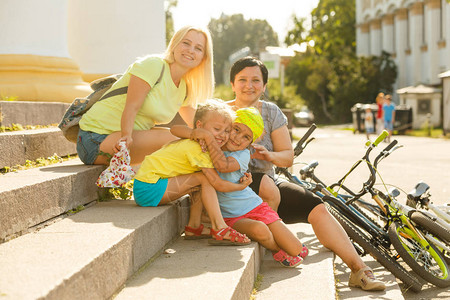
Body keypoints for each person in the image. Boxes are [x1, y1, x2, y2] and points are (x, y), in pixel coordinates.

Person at [226, 56, 386, 291]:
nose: (249, 85)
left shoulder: (271, 112)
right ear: (232, 84)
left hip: (268, 184)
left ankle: (359, 270)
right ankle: (276, 242)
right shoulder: (223, 112)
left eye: (255, 80)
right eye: (242, 80)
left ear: (264, 85)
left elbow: (287, 157)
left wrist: (268, 155)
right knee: (266, 186)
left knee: (317, 207)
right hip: (233, 185)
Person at [77, 25, 214, 165]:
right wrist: (126, 136)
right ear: (174, 44)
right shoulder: (154, 65)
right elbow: (132, 106)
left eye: (198, 48)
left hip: (124, 136)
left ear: (203, 58)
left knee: (193, 141)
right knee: (180, 142)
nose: (190, 50)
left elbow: (197, 124)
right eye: (186, 43)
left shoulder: (184, 88)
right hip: (95, 138)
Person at [132, 100, 251, 246]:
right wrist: (240, 187)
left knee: (201, 179)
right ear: (200, 126)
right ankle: (220, 228)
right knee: (205, 179)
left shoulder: (197, 141)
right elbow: (217, 183)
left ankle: (194, 227)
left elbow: (176, 130)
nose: (222, 135)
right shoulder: (198, 149)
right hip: (148, 188)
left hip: (148, 185)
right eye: (217, 128)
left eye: (227, 131)